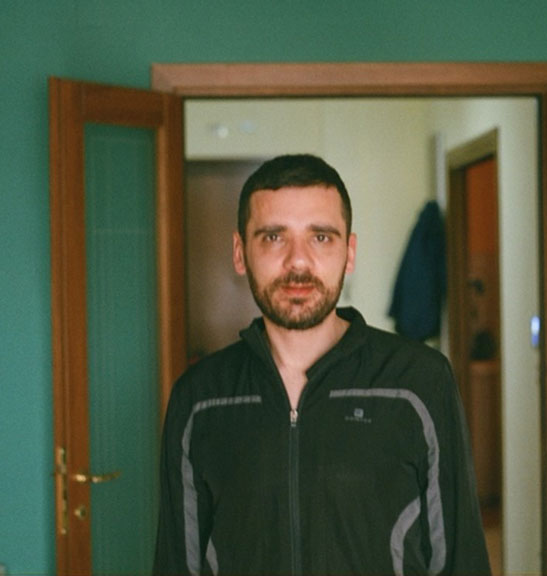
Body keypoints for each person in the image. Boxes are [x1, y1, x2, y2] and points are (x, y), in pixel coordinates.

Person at [153, 154, 491, 576]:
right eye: (274, 237)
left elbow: (462, 559)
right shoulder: (200, 398)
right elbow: (174, 563)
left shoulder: (418, 382)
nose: (298, 261)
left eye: (321, 238)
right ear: (240, 253)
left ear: (349, 253)